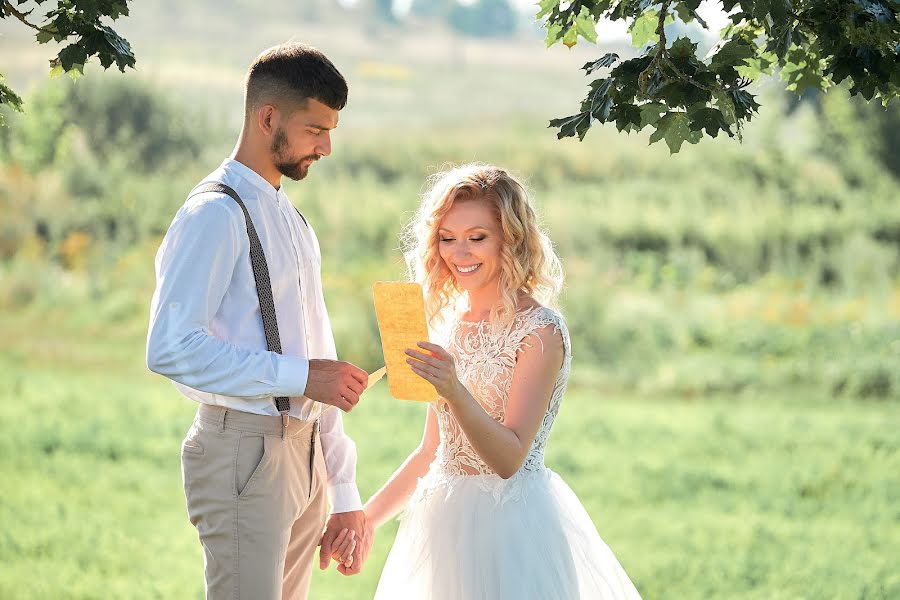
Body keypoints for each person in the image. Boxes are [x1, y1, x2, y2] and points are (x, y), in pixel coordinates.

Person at [146, 42, 373, 599]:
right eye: (316, 129)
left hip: (306, 453)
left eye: (331, 131)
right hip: (242, 453)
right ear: (268, 117)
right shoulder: (213, 214)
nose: (326, 147)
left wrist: (343, 494)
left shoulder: (294, 221)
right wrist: (300, 376)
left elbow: (317, 353)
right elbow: (171, 347)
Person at [364, 164, 642, 599]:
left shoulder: (539, 332)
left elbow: (509, 459)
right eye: (447, 238)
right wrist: (364, 520)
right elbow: (432, 451)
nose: (460, 253)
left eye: (477, 237)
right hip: (440, 526)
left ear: (510, 239)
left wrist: (454, 390)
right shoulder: (447, 326)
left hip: (510, 530)